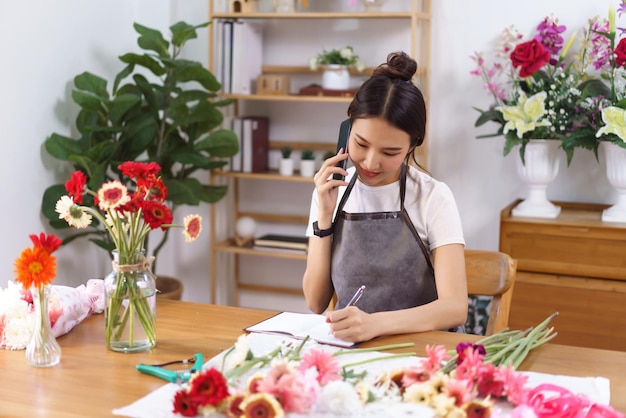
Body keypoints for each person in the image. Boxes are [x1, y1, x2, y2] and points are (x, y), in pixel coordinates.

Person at [302, 51, 467, 343]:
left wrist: (375, 324)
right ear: (348, 126)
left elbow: (455, 308)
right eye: (361, 144)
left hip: (423, 351)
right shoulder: (331, 191)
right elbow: (316, 302)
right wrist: (324, 219)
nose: (370, 163)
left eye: (390, 153)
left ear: (413, 144)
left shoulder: (433, 197)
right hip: (352, 350)